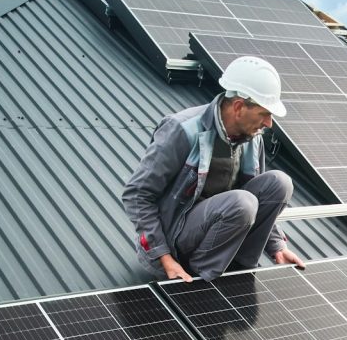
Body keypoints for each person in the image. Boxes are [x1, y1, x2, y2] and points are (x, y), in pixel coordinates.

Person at [123, 55, 305, 282]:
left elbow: (262, 201)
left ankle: (241, 265)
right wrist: (164, 257)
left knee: (280, 183)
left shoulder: (253, 138)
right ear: (239, 107)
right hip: (177, 237)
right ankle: (204, 281)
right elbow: (137, 194)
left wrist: (276, 245)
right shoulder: (182, 130)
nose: (269, 123)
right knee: (242, 203)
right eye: (264, 113)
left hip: (223, 226)